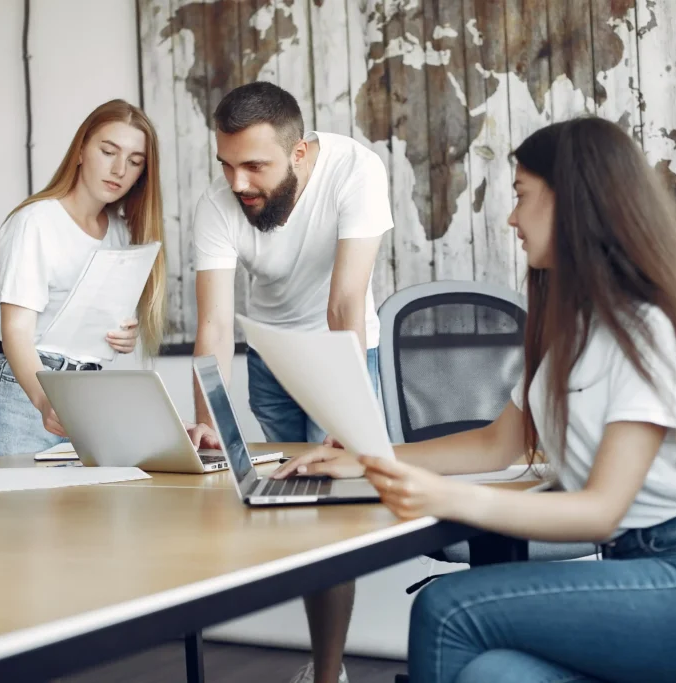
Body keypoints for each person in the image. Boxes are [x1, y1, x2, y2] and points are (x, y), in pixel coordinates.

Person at [273, 117, 676, 683]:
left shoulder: (648, 330)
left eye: (521, 196)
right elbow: (497, 443)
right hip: (638, 572)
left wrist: (443, 498)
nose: (511, 217)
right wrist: (370, 457)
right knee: (492, 673)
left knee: (448, 607)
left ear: (576, 202)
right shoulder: (573, 328)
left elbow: (600, 509)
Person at [187, 81, 393, 683]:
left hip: (343, 351)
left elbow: (346, 301)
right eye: (226, 165)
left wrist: (347, 420)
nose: (238, 183)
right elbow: (214, 321)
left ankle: (328, 674)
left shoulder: (356, 169)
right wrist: (207, 419)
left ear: (299, 153)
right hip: (269, 356)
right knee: (300, 510)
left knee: (334, 511)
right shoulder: (216, 206)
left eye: (255, 165)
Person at [0, 99, 167, 460]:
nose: (120, 169)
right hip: (24, 393)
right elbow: (16, 332)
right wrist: (45, 400)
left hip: (85, 395)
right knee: (11, 517)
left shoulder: (120, 232)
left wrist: (123, 334)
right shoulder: (36, 221)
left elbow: (87, 317)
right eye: (108, 151)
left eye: (135, 161)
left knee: (78, 514)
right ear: (80, 151)